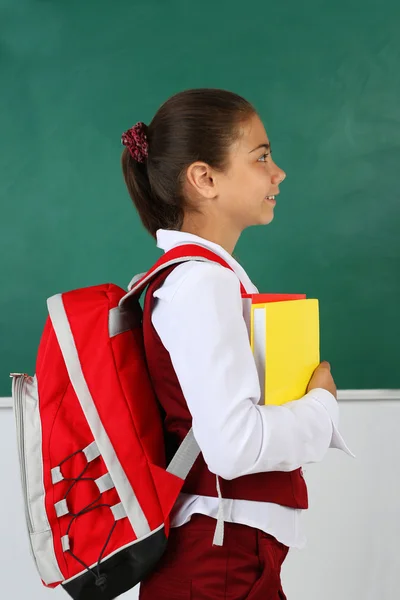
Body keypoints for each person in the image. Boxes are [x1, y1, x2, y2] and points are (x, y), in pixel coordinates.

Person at [121, 88, 352, 600]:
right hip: (216, 562)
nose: (278, 173)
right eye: (262, 157)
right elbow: (234, 445)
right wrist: (322, 406)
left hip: (223, 554)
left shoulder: (197, 278)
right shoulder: (203, 283)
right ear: (204, 179)